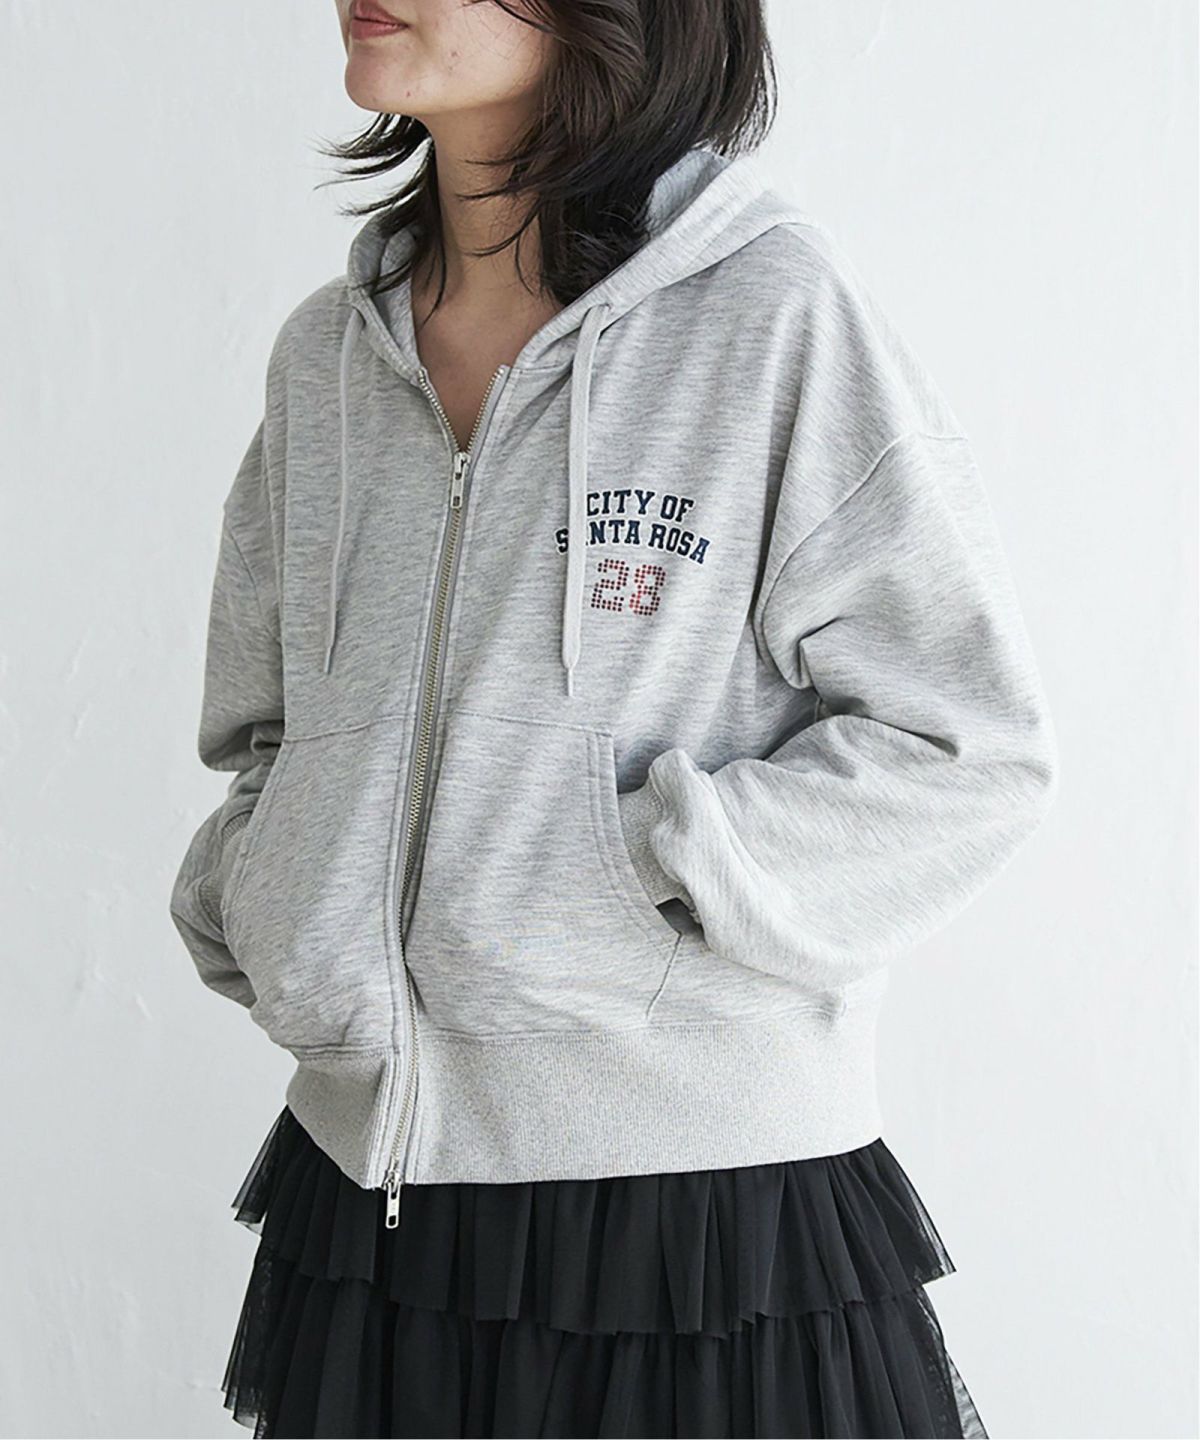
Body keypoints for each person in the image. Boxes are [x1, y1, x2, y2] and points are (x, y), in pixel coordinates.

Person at [169, 1, 1059, 1435]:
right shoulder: (326, 359)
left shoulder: (765, 314)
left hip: (695, 1230)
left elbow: (968, 748)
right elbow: (266, 733)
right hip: (368, 1208)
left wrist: (655, 866)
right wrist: (269, 890)